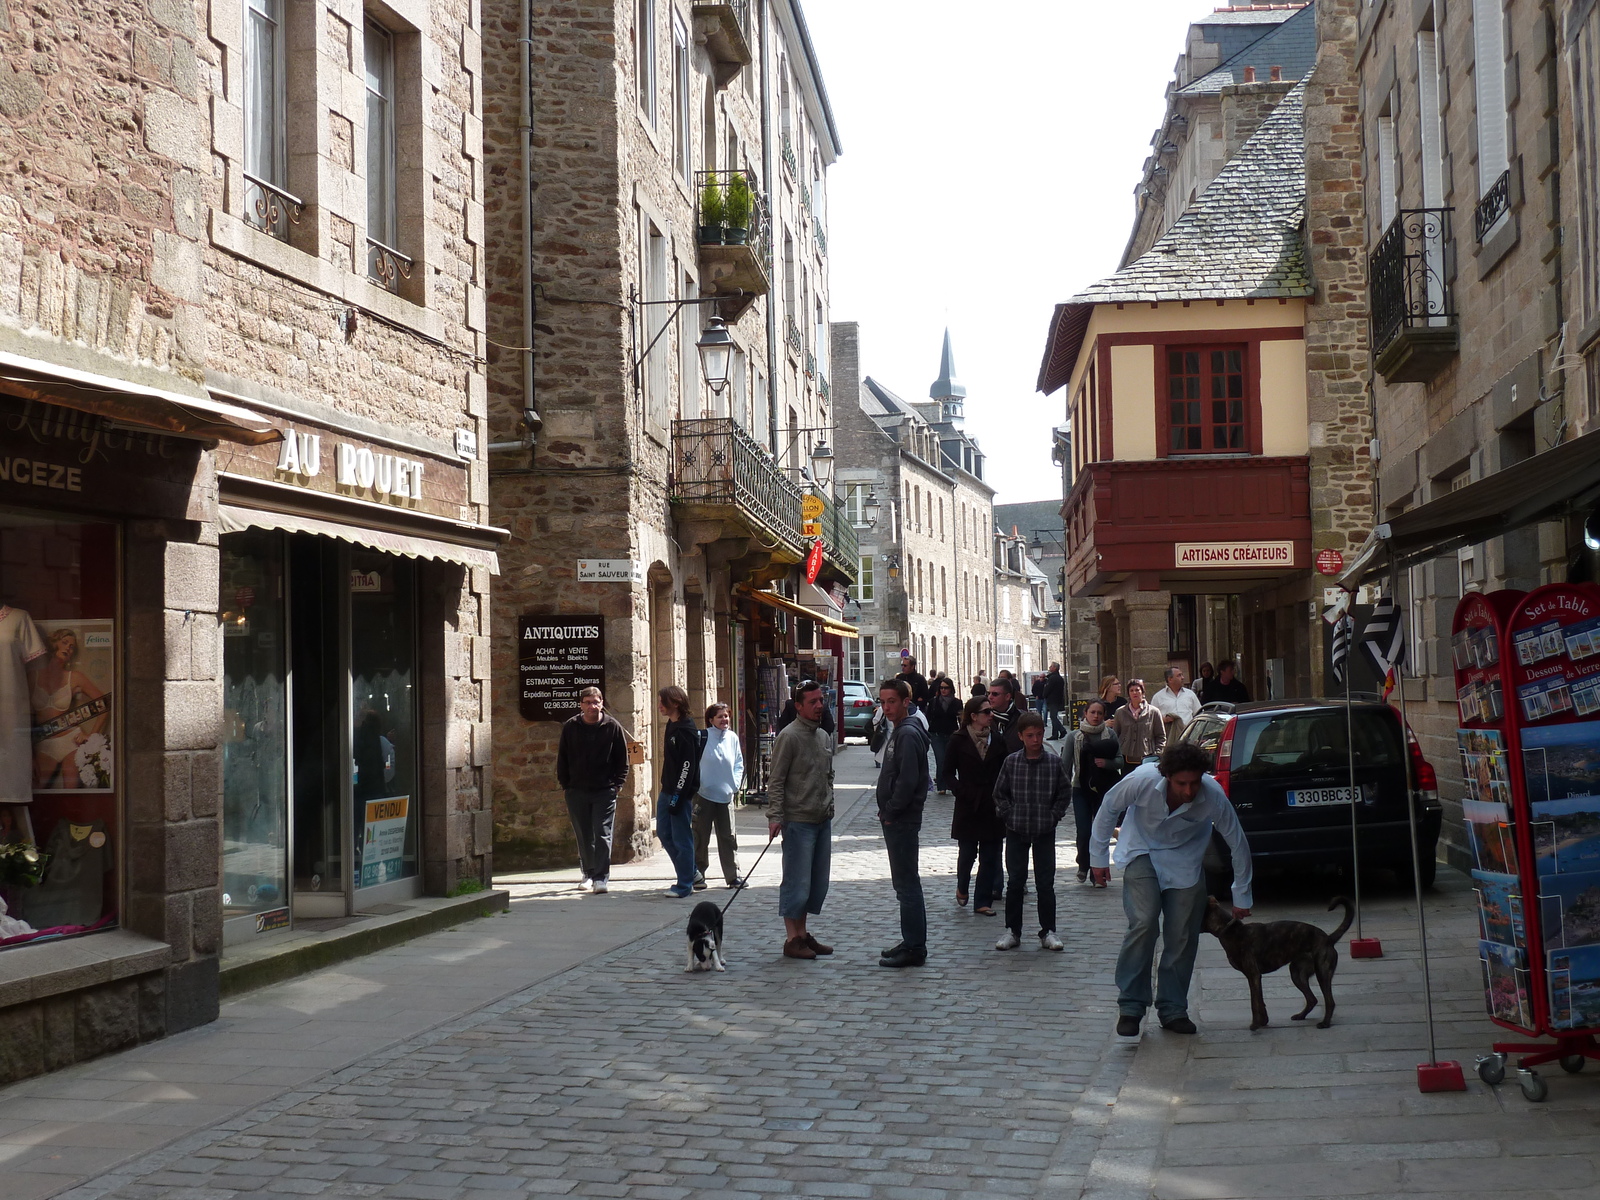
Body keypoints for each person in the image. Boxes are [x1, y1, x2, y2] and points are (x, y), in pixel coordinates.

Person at [1090, 741, 1254, 1036]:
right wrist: (1098, 858)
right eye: (1182, 784)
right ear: (1166, 776)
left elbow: (1237, 843)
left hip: (1186, 861)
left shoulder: (1213, 794)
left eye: (1194, 783)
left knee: (1182, 935)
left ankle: (1173, 1008)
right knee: (1144, 922)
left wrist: (1242, 893)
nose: (1189, 791)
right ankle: (1130, 1005)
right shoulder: (1141, 781)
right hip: (1142, 850)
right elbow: (1107, 809)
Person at [766, 680, 836, 960]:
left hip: (821, 818)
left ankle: (803, 934)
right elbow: (777, 779)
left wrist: (829, 801)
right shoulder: (789, 736)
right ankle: (792, 939)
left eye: (821, 700)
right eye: (813, 702)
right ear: (798, 706)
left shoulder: (823, 736)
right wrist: (775, 816)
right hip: (798, 820)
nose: (820, 705)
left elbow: (828, 774)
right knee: (797, 882)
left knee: (816, 882)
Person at [992, 711, 1071, 953]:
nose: (1035, 740)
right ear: (1021, 737)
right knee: (1016, 881)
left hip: (1044, 829)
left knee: (1045, 883)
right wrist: (1009, 813)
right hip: (1017, 828)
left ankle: (1048, 930)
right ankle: (1012, 930)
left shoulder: (1054, 763)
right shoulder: (1012, 762)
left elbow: (1063, 793)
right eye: (1030, 736)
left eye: (1038, 735)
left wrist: (1053, 815)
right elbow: (1000, 793)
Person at [876, 679, 930, 968]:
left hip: (902, 818)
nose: (886, 708)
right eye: (883, 702)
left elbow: (908, 780)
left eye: (892, 702)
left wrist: (891, 810)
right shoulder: (900, 730)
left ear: (905, 702)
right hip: (897, 817)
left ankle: (914, 947)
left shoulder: (907, 734)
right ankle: (911, 940)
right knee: (905, 884)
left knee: (907, 884)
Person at [554, 686, 629, 894]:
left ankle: (601, 877)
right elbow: (563, 758)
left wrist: (617, 785)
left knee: (602, 833)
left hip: (604, 790)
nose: (591, 706)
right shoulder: (571, 726)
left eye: (595, 702)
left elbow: (622, 760)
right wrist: (565, 785)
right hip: (576, 790)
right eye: (587, 702)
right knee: (584, 834)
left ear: (602, 703)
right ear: (581, 705)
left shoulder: (612, 726)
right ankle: (588, 873)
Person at [947, 696, 1008, 915]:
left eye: (991, 711)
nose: (991, 715)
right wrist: (961, 791)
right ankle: (962, 885)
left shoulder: (998, 740)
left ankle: (983, 901)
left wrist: (1003, 794)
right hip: (969, 804)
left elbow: (1006, 770)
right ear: (973, 716)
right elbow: (946, 774)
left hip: (992, 804)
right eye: (986, 712)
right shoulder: (958, 739)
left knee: (990, 856)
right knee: (967, 853)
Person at [1064, 698, 1120, 884]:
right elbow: (1066, 765)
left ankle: (1096, 872)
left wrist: (1108, 764)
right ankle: (1083, 864)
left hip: (1103, 789)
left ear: (1104, 716)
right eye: (1092, 712)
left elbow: (1120, 761)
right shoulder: (1074, 736)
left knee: (1101, 830)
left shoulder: (1110, 735)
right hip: (1081, 789)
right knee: (1084, 830)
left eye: (1100, 713)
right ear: (1085, 714)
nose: (1096, 716)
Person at [692, 702, 744, 891]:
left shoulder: (732, 738)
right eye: (720, 716)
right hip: (704, 795)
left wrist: (735, 784)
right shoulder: (702, 737)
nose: (725, 719)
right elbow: (693, 763)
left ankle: (733, 876)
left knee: (728, 837)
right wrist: (698, 785)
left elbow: (738, 762)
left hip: (725, 795)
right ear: (711, 719)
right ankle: (698, 874)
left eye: (727, 716)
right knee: (700, 836)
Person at [656, 686, 701, 898]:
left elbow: (687, 766)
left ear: (675, 703)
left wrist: (678, 795)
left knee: (682, 838)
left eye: (662, 702)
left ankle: (684, 885)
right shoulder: (671, 725)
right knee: (664, 833)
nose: (659, 706)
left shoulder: (685, 731)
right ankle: (691, 873)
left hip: (679, 793)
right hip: (667, 790)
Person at [1111, 679, 1163, 773]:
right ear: (1128, 693)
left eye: (1137, 690)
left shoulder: (1154, 712)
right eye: (1131, 690)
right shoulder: (1120, 712)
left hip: (1147, 757)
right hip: (1125, 757)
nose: (1134, 693)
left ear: (1142, 692)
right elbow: (1116, 734)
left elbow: (1161, 736)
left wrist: (1157, 754)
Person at [925, 677, 963, 795]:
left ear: (951, 689)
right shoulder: (933, 702)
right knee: (940, 759)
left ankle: (950, 783)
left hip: (951, 734)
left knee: (950, 760)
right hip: (936, 734)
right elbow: (928, 717)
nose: (943, 690)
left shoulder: (957, 702)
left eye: (946, 688)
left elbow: (961, 719)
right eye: (941, 688)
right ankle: (941, 786)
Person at [1150, 666, 1202, 742]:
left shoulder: (1190, 694)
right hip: (1168, 738)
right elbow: (1151, 718)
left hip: (1189, 737)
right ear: (1170, 679)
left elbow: (1199, 714)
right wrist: (1164, 719)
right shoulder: (1158, 697)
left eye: (1182, 675)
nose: (1183, 678)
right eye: (1179, 675)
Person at [987, 677, 1027, 755]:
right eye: (989, 693)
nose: (990, 697)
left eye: (995, 694)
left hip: (1017, 764)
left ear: (1007, 696)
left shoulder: (1023, 718)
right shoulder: (985, 718)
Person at [1043, 663, 1067, 739]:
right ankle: (1058, 732)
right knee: (1054, 716)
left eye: (1051, 666)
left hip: (1053, 700)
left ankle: (1058, 732)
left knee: (1053, 717)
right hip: (1057, 699)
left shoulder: (1052, 678)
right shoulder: (1059, 678)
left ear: (1055, 668)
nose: (1049, 667)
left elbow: (1048, 689)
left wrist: (1044, 695)